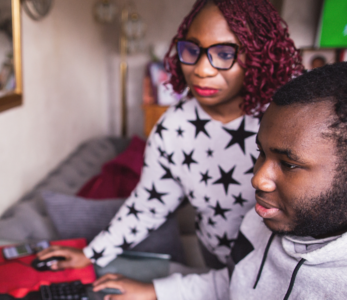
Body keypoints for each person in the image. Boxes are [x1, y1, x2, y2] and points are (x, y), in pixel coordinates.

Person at [39, 0, 301, 275]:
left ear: (258, 55)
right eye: (191, 50)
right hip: (217, 259)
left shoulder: (288, 116)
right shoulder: (174, 127)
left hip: (284, 267)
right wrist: (91, 254)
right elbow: (149, 204)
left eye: (224, 53)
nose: (201, 70)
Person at [94, 62, 347, 299]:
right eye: (261, 153)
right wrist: (155, 290)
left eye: (289, 164)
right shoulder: (258, 222)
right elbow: (236, 281)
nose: (258, 179)